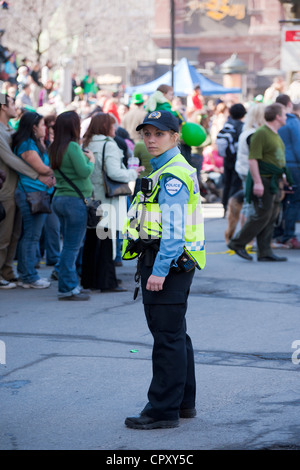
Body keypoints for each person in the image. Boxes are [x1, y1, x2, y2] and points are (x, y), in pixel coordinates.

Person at [122, 110, 206, 430]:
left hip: (166, 262)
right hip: (168, 261)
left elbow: (173, 231)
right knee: (175, 335)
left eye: (159, 134)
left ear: (175, 136)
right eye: (147, 133)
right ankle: (183, 402)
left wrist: (159, 271)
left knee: (166, 338)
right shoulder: (166, 169)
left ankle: (162, 409)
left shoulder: (172, 175)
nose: (151, 139)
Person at [80, 112, 141, 292]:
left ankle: (88, 280)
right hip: (107, 199)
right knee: (106, 241)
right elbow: (114, 173)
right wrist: (133, 173)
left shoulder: (86, 143)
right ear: (106, 127)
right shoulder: (109, 145)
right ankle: (106, 281)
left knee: (91, 240)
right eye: (112, 125)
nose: (115, 128)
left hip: (91, 198)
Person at [0, 94, 53, 289]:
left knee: (16, 235)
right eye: (12, 103)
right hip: (11, 190)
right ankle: (16, 274)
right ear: (3, 107)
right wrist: (37, 175)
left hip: (18, 189)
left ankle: (9, 272)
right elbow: (12, 161)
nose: (16, 107)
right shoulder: (11, 136)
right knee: (8, 236)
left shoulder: (9, 130)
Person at [228, 103, 292, 262]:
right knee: (262, 214)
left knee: (271, 215)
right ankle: (237, 243)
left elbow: (276, 158)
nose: (286, 117)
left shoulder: (273, 133)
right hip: (264, 179)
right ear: (277, 116)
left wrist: (283, 177)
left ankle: (265, 251)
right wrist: (257, 182)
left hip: (273, 180)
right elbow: (253, 159)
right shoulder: (261, 133)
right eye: (284, 114)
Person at [49, 110, 95, 301]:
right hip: (74, 201)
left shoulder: (54, 147)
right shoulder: (73, 148)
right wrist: (91, 160)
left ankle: (71, 284)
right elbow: (84, 172)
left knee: (69, 244)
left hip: (60, 198)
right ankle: (67, 288)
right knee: (72, 246)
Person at [13, 112, 54, 288]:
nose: (45, 129)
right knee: (31, 236)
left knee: (31, 235)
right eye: (43, 125)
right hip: (31, 194)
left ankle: (27, 274)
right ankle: (28, 276)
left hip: (37, 194)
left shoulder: (35, 143)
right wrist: (53, 172)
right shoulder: (27, 144)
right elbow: (43, 169)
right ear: (33, 127)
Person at [273, 94, 300, 249]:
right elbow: (298, 147)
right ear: (289, 104)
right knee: (293, 202)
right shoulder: (292, 121)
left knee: (281, 201)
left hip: (278, 165)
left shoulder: (272, 121)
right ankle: (288, 236)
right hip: (293, 166)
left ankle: (277, 233)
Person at [216, 103, 246, 214]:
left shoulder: (227, 124)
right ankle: (231, 206)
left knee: (227, 183)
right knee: (235, 184)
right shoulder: (242, 126)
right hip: (237, 158)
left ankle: (224, 206)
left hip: (227, 158)